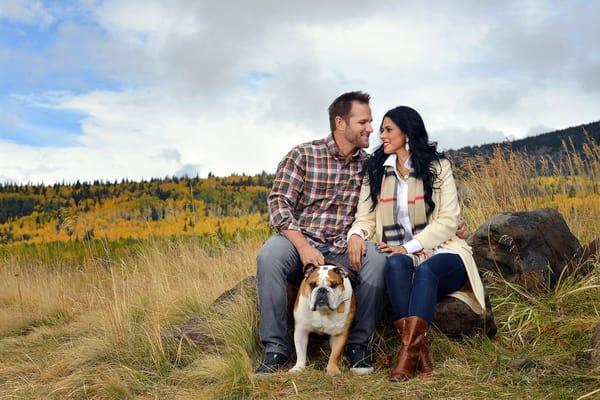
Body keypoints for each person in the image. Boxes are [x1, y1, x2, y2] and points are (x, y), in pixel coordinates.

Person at [347, 106, 486, 381]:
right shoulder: (376, 170)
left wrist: (408, 246)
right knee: (396, 265)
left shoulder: (438, 167)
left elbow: (448, 221)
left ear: (407, 133)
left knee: (426, 270)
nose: (381, 135)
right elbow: (365, 219)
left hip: (445, 250)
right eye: (382, 130)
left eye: (388, 130)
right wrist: (356, 234)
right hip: (401, 254)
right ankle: (419, 355)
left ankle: (407, 355)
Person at [255, 91, 389, 374]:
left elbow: (389, 203)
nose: (370, 129)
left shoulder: (369, 166)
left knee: (376, 261)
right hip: (299, 241)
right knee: (269, 255)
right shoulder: (303, 154)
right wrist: (303, 247)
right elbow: (279, 204)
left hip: (343, 246)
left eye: (371, 122)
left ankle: (356, 345)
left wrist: (358, 235)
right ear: (341, 123)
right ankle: (276, 348)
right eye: (363, 122)